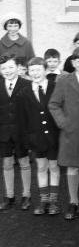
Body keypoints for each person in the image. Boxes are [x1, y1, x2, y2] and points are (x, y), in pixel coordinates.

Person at [48, 46, 79, 221]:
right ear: (72, 63)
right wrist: (64, 123)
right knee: (72, 166)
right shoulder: (64, 81)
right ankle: (73, 202)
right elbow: (54, 105)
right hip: (71, 131)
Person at [17, 57, 60, 215]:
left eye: (38, 70)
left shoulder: (55, 87)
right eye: (32, 70)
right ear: (28, 73)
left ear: (45, 70)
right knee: (41, 167)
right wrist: (27, 141)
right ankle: (44, 201)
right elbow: (22, 120)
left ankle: (54, 202)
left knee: (54, 167)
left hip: (54, 136)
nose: (35, 73)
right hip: (36, 138)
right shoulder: (23, 93)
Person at [0, 54, 32, 211]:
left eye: (11, 67)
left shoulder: (27, 84)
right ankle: (9, 196)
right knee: (6, 163)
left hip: (22, 132)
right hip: (4, 132)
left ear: (18, 68)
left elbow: (31, 111)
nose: (7, 71)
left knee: (24, 162)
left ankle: (26, 195)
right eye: (3, 68)